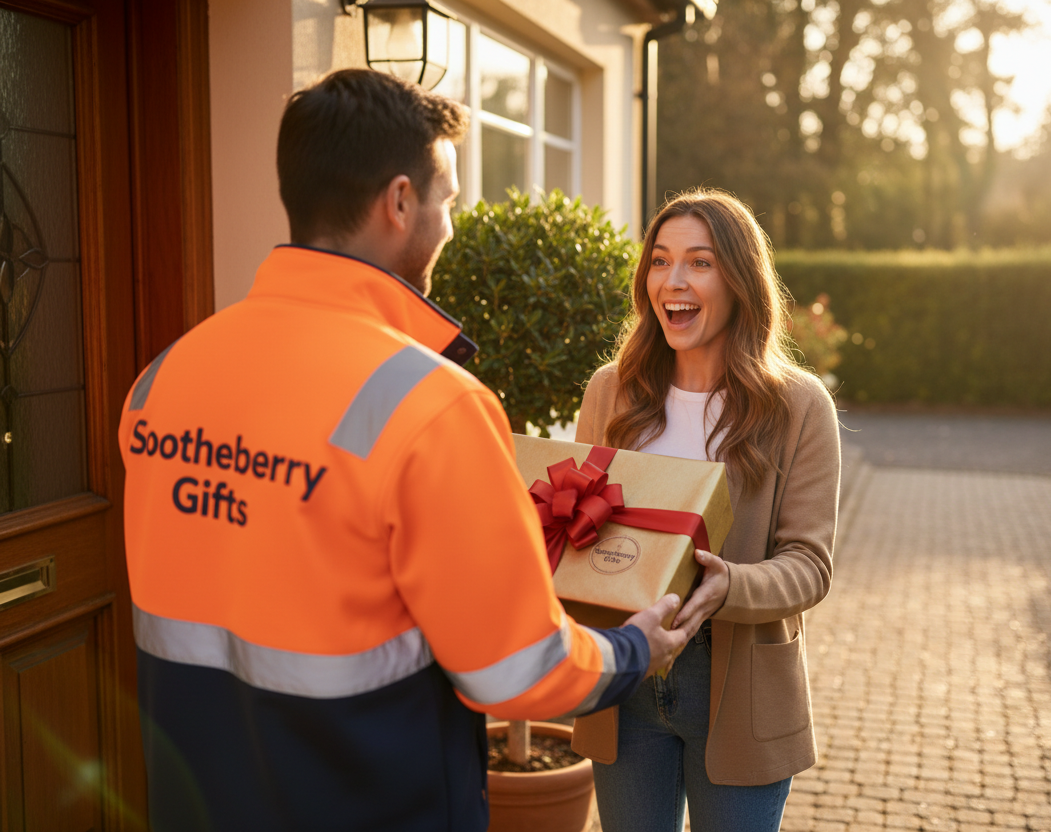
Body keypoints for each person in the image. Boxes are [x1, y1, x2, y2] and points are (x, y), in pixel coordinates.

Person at [118, 69, 694, 832]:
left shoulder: (162, 379)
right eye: (447, 199)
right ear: (398, 203)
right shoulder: (432, 407)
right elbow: (517, 671)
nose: (450, 224)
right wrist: (631, 649)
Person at [571, 190, 841, 832]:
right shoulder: (612, 390)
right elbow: (576, 523)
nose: (674, 280)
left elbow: (810, 565)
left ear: (740, 280)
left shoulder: (798, 407)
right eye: (660, 261)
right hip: (628, 673)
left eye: (700, 262)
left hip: (739, 686)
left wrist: (730, 586)